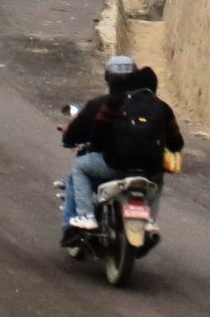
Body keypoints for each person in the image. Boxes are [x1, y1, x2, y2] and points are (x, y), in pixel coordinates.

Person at [59, 54, 184, 242]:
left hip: (115, 165)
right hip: (149, 170)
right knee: (159, 177)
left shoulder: (109, 103)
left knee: (80, 167)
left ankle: (86, 216)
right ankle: (149, 220)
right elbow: (177, 143)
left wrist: (92, 144)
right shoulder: (162, 107)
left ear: (108, 78)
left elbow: (97, 135)